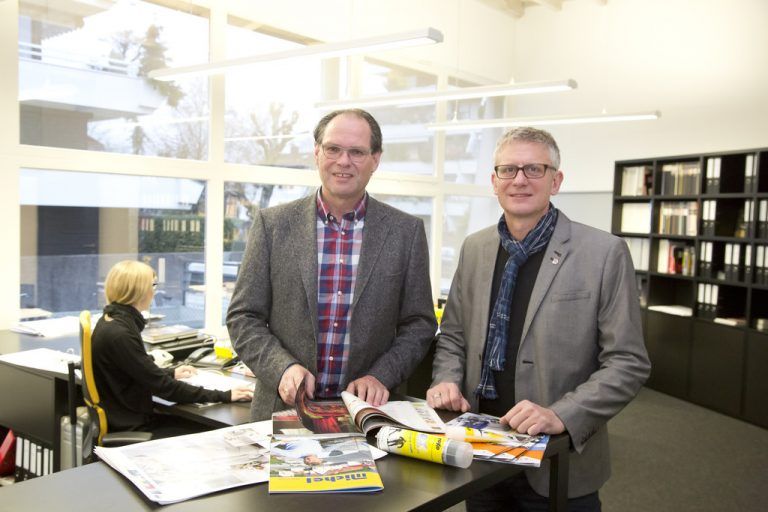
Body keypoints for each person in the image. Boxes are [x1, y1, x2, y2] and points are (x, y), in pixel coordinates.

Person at [428, 127, 651, 511]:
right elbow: (453, 335)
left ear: (556, 180)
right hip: (479, 451)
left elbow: (628, 362)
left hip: (557, 460)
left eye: (534, 169)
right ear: (494, 182)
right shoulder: (476, 247)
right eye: (508, 170)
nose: (519, 180)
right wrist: (446, 377)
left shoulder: (603, 253)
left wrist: (560, 414)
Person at [227, 108, 437, 420]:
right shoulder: (273, 225)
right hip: (283, 413)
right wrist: (281, 368)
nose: (343, 161)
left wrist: (381, 375)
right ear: (317, 152)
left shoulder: (405, 232)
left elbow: (419, 323)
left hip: (367, 414)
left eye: (357, 152)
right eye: (333, 149)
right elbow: (244, 316)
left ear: (375, 159)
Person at [92, 260, 253, 438]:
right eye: (152, 285)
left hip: (128, 415)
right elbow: (166, 389)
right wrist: (224, 395)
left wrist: (171, 373)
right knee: (212, 434)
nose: (154, 291)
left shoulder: (110, 321)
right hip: (134, 425)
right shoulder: (120, 334)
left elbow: (139, 373)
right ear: (137, 290)